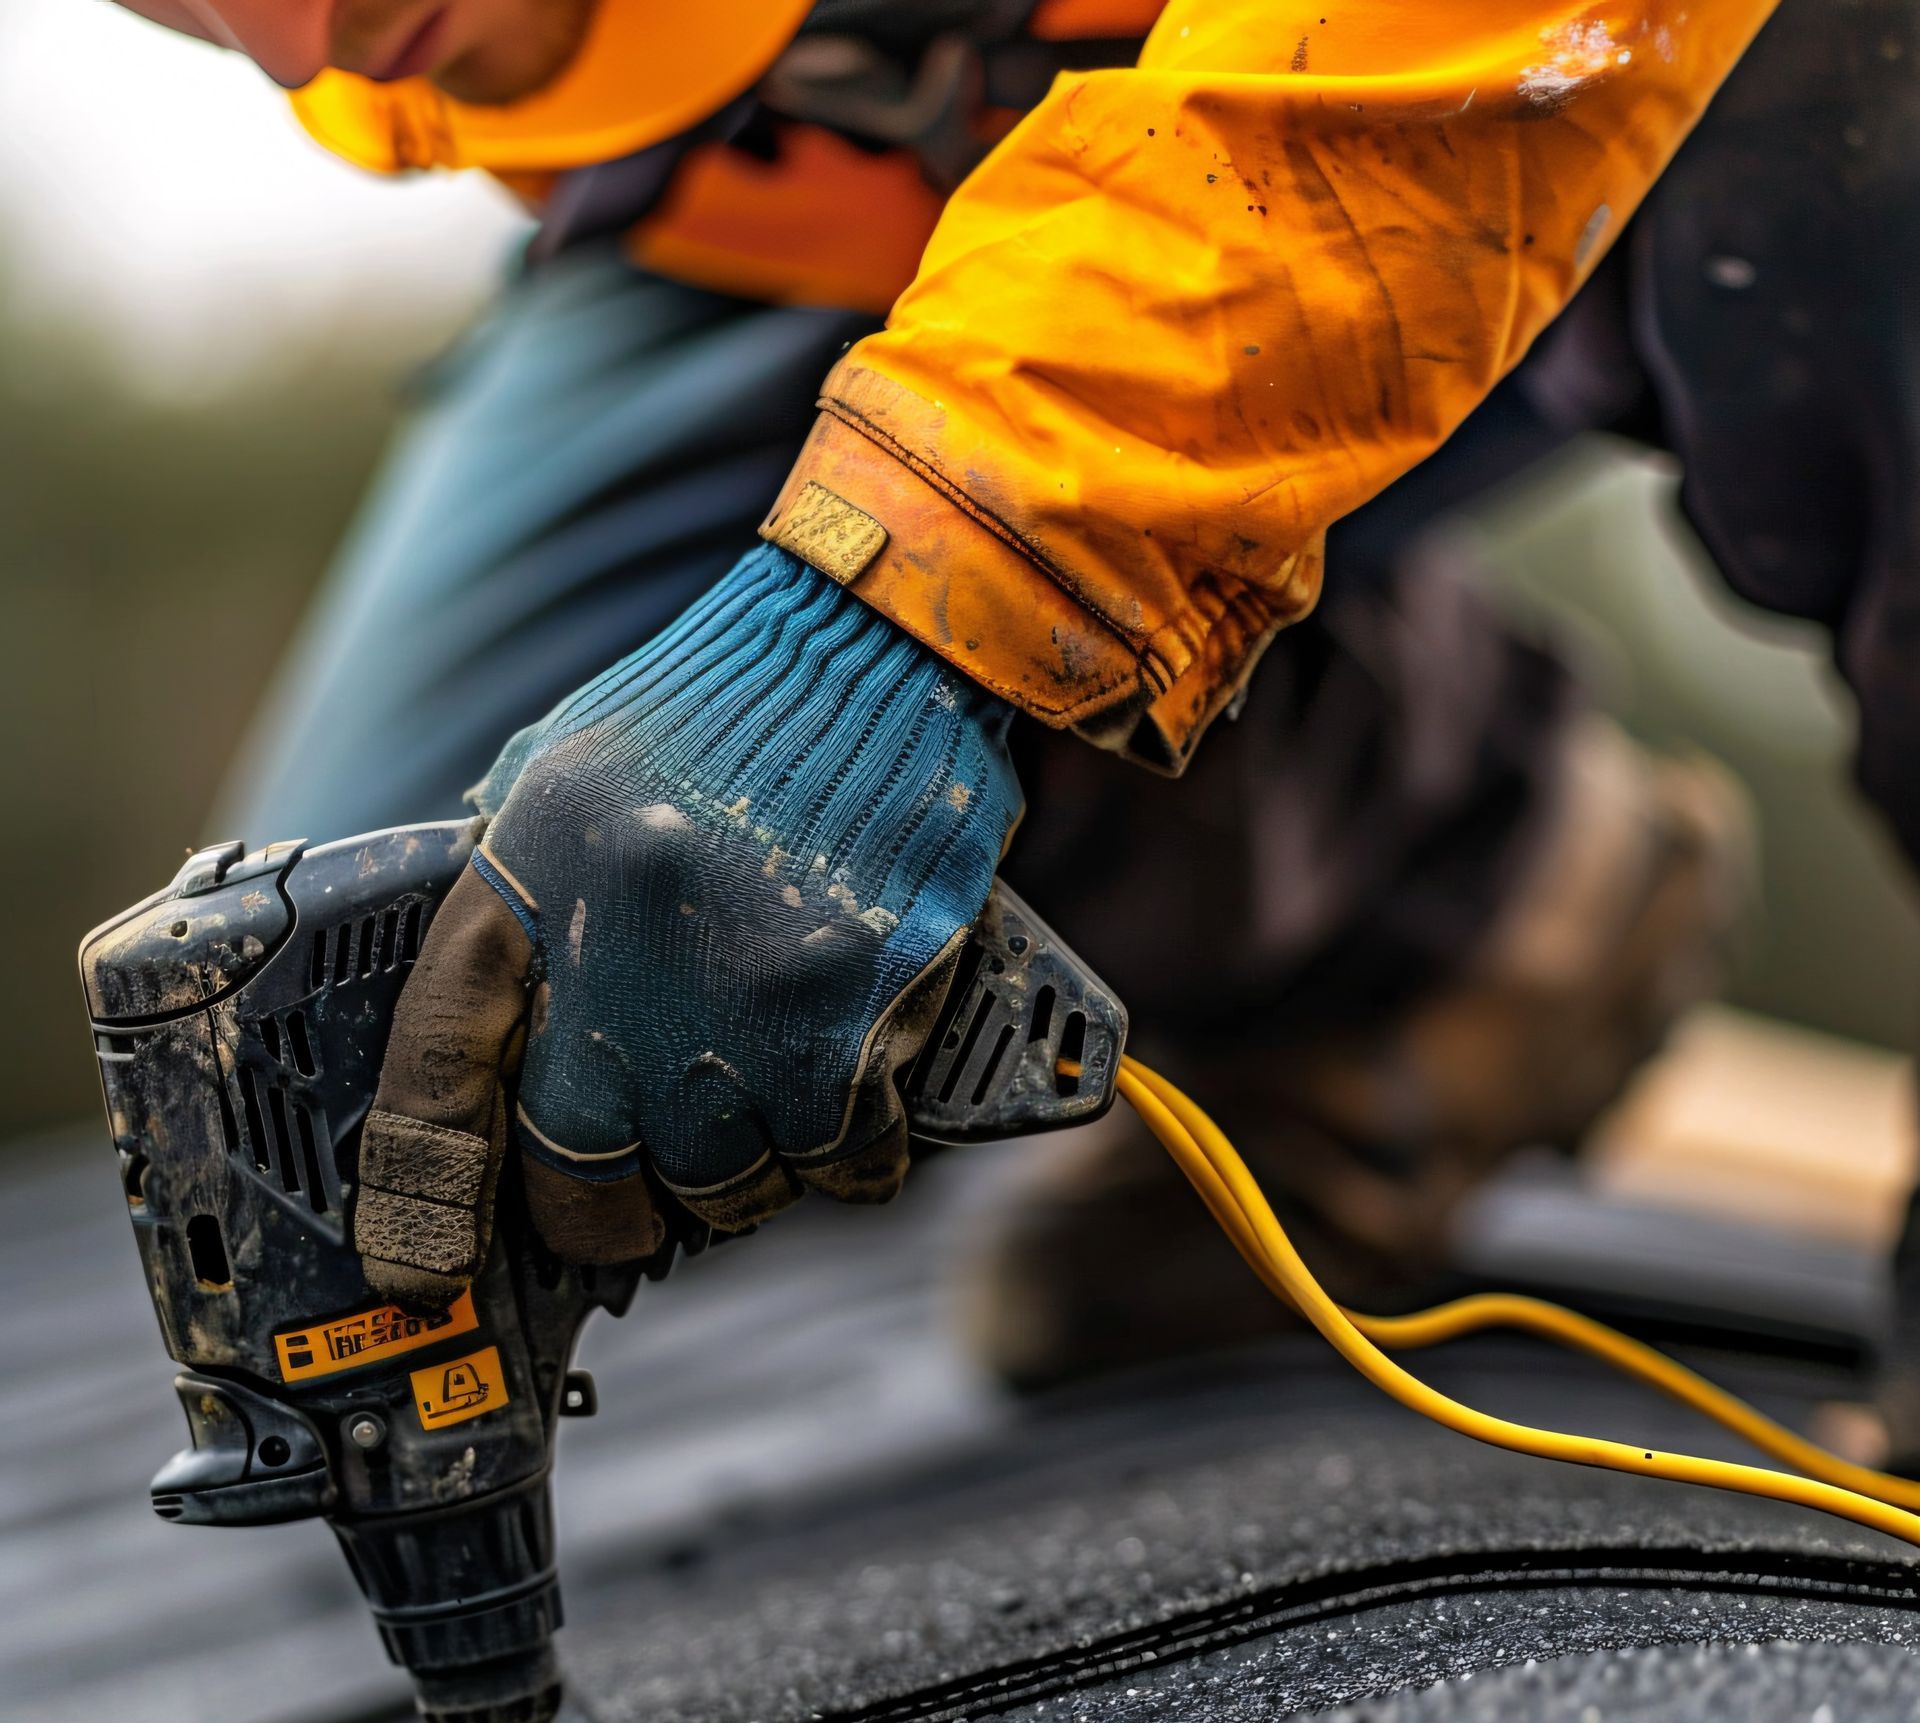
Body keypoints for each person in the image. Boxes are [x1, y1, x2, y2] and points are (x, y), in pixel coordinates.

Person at [114, 2, 1912, 1405]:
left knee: (1844, 100)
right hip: (871, 203)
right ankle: (1451, 884)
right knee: (355, 1037)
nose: (291, 47)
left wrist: (903, 600)